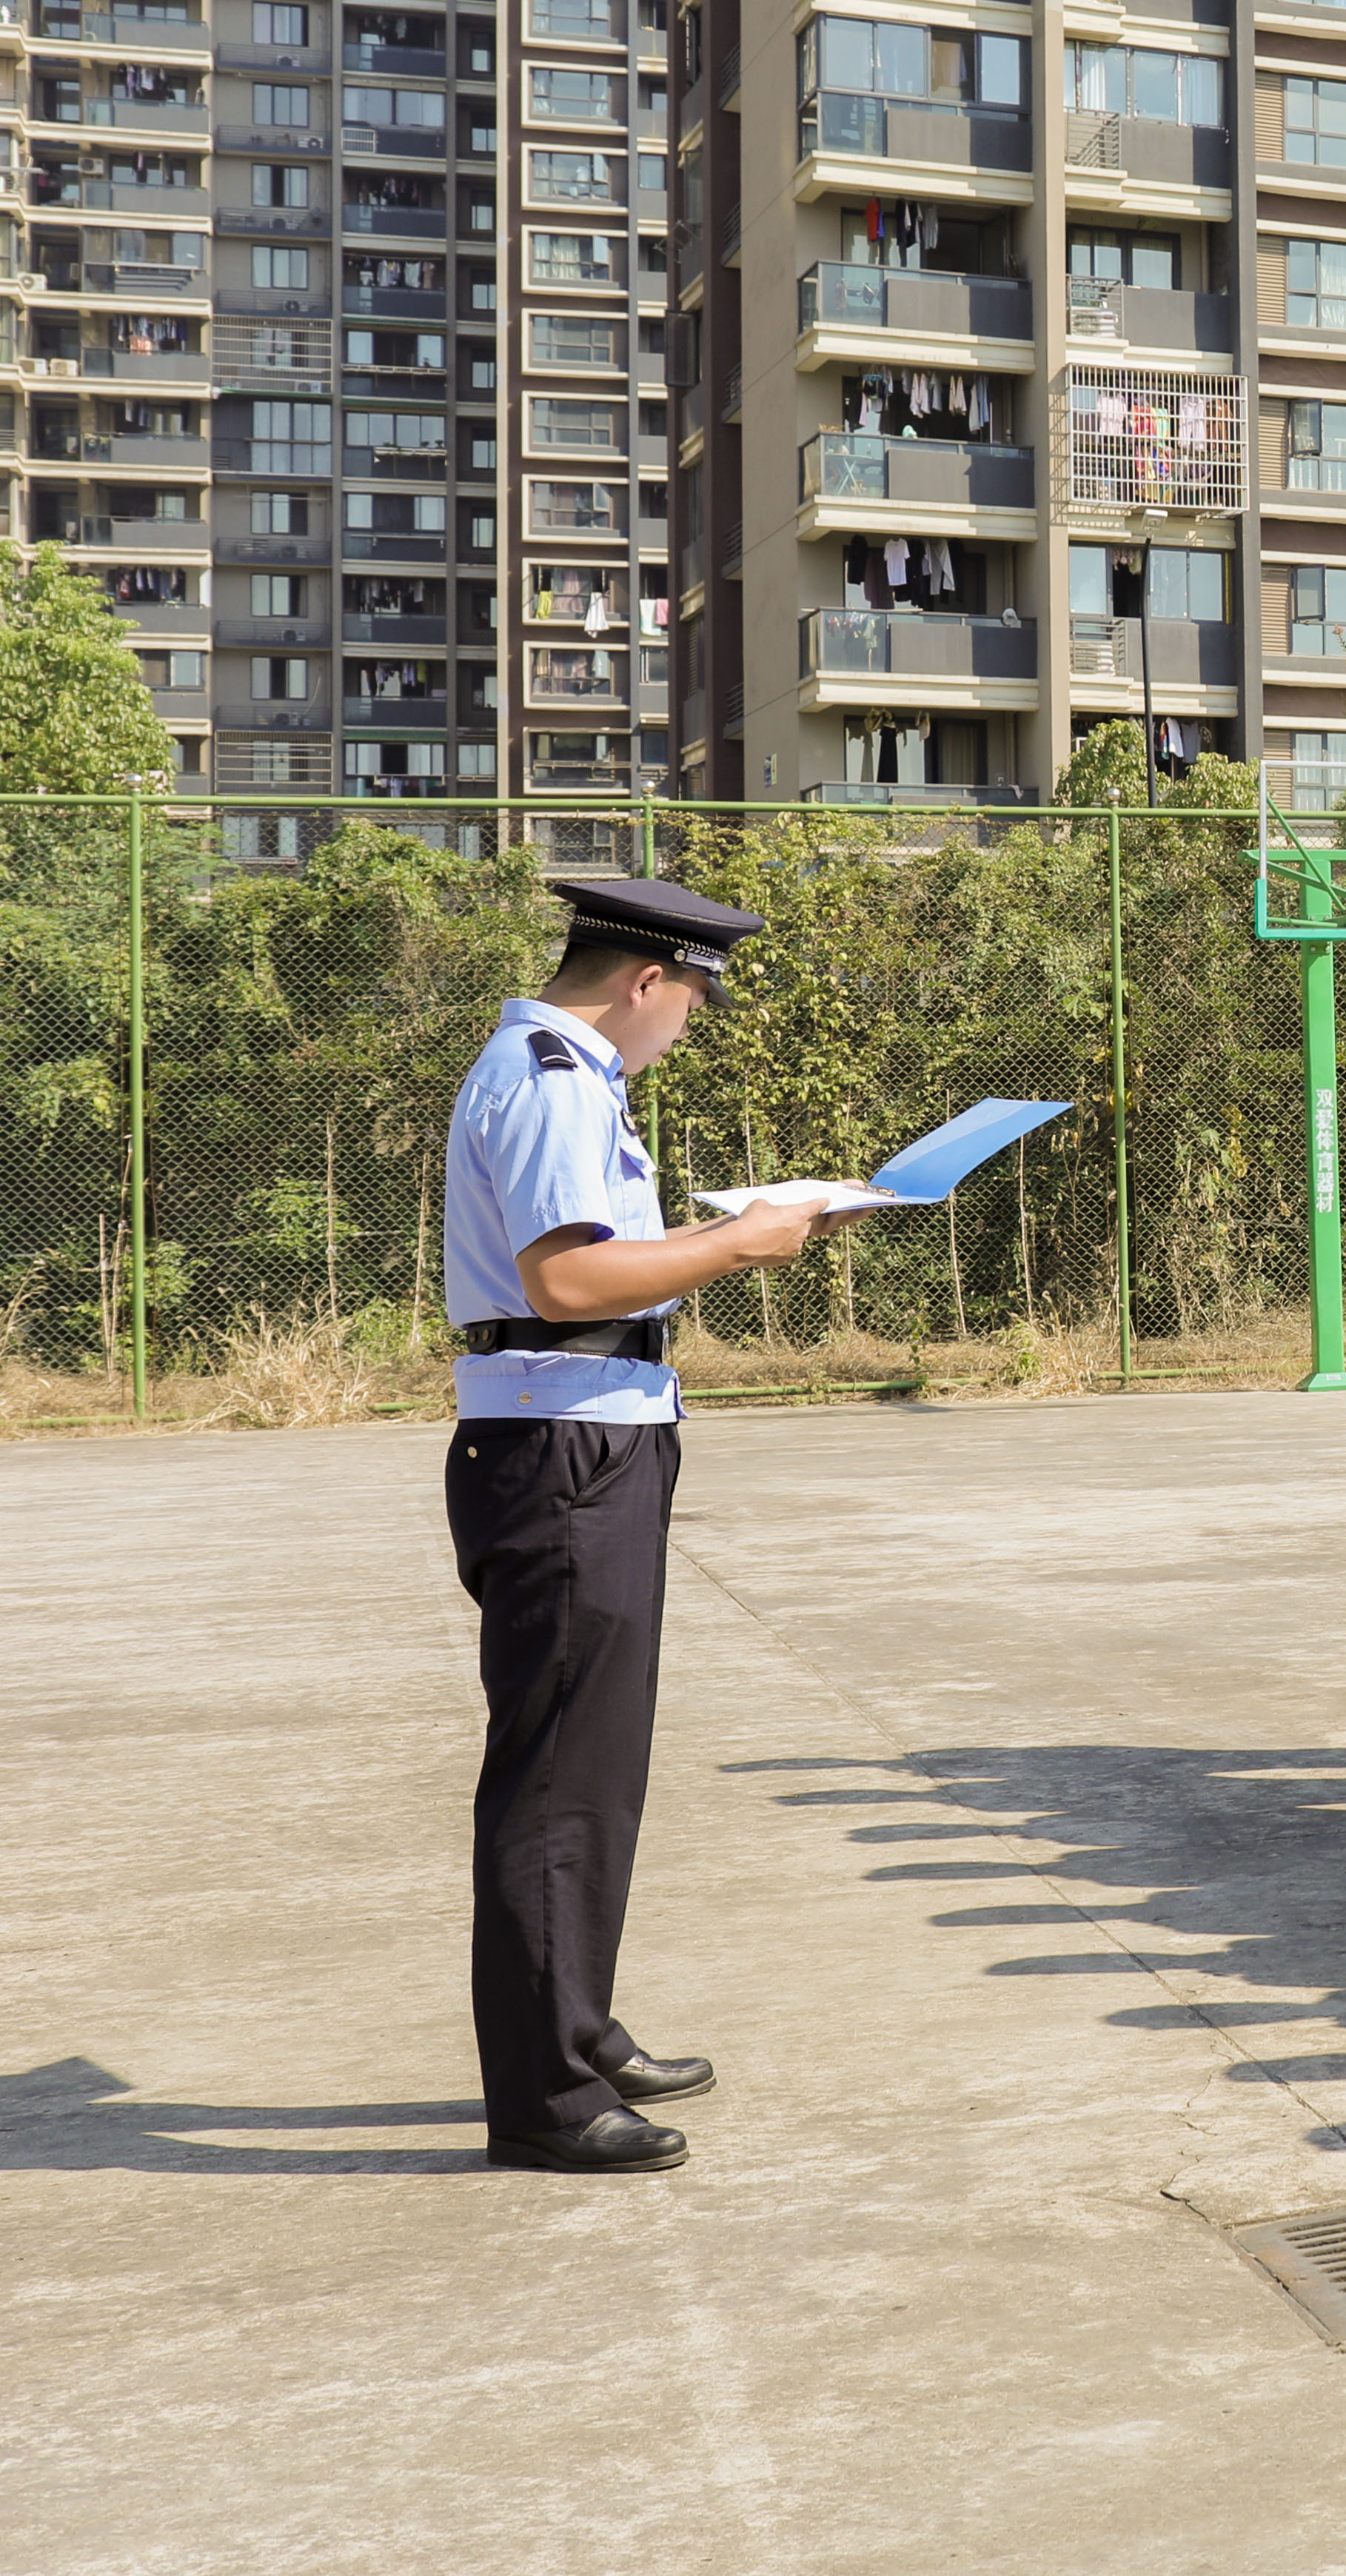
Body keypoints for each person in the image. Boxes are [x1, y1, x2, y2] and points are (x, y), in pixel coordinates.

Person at [446, 878, 830, 2172]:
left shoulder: (557, 1071)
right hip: (563, 1448)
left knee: (592, 1768)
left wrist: (742, 1228)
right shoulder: (553, 1077)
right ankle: (545, 2100)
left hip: (584, 1435)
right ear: (647, 980)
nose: (688, 1027)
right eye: (694, 1002)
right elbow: (566, 1278)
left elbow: (595, 1261)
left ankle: (576, 2027)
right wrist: (736, 1244)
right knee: (560, 1778)